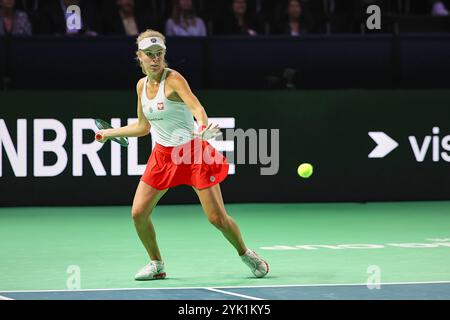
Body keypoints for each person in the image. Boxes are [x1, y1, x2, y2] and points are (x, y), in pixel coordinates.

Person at [95, 29, 269, 280]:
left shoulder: (174, 79)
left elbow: (197, 107)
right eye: (149, 55)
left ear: (164, 55)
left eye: (159, 54)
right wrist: (109, 133)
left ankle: (245, 253)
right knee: (138, 213)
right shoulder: (141, 86)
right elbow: (143, 127)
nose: (155, 59)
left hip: (193, 154)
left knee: (217, 219)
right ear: (139, 57)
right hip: (163, 157)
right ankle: (157, 264)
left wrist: (203, 127)